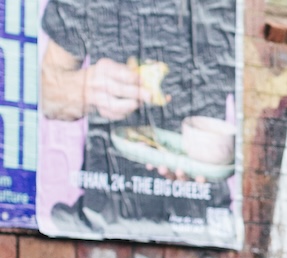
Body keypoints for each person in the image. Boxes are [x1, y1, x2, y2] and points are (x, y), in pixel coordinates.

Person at [37, 0, 237, 239]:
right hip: (105, 217)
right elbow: (47, 95)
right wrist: (85, 88)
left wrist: (220, 153)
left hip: (202, 222)